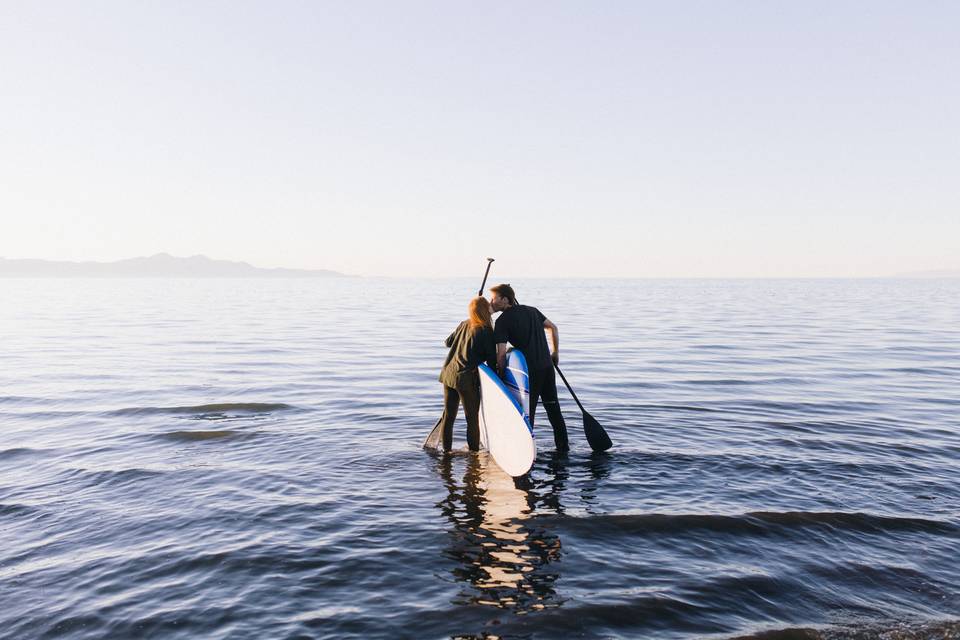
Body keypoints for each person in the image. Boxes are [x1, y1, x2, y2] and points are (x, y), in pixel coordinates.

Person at [489, 283, 569, 452]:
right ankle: (563, 449)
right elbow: (553, 328)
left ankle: (526, 453)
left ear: (504, 299)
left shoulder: (502, 321)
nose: (491, 302)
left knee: (527, 413)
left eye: (494, 298)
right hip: (547, 368)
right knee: (553, 410)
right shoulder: (532, 310)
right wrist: (555, 354)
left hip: (529, 372)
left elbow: (501, 355)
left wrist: (501, 376)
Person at [424, 296, 497, 452]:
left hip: (448, 375)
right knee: (472, 419)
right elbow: (492, 361)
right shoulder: (486, 331)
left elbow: (448, 343)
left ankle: (447, 452)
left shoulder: (464, 324)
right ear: (485, 311)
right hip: (466, 379)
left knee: (449, 417)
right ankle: (474, 455)